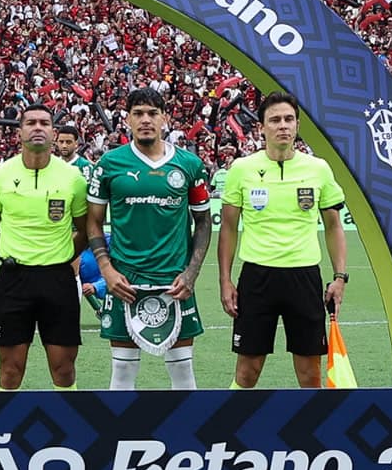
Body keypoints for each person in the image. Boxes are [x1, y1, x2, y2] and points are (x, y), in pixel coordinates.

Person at [218, 92, 347, 389]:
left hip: (304, 278)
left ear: (297, 125)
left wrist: (339, 277)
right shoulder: (241, 169)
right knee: (247, 372)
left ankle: (312, 434)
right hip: (257, 277)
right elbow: (227, 228)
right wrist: (225, 280)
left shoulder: (318, 169)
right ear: (262, 127)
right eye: (274, 120)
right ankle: (228, 430)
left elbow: (333, 226)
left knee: (310, 375)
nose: (283, 126)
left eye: (289, 119)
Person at [86, 88, 212, 390]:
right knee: (122, 373)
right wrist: (107, 270)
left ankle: (186, 437)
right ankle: (117, 435)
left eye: (152, 113)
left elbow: (204, 221)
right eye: (138, 113)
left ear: (164, 118)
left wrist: (191, 273)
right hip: (125, 281)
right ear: (127, 119)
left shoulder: (189, 164)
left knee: (183, 373)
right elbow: (92, 222)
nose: (145, 120)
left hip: (174, 282)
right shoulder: (109, 164)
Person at [0, 103, 88, 391]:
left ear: (53, 133)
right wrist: (8, 254)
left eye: (44, 123)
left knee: (64, 368)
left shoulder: (73, 179)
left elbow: (86, 228)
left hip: (58, 278)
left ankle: (68, 429)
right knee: (11, 369)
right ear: (20, 132)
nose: (38, 127)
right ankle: (6, 429)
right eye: (31, 123)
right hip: (15, 280)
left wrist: (64, 255)